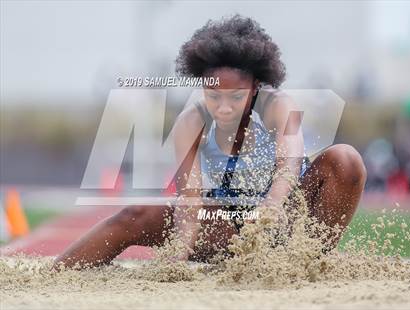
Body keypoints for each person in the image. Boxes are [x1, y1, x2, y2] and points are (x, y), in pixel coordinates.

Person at [53, 15, 366, 269]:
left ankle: (305, 263)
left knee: (346, 158)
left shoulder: (279, 106)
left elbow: (289, 166)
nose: (224, 107)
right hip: (229, 224)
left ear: (256, 86)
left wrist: (270, 210)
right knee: (134, 213)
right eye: (214, 95)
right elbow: (190, 202)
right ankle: (57, 275)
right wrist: (178, 256)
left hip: (288, 217)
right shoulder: (190, 123)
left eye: (236, 96)